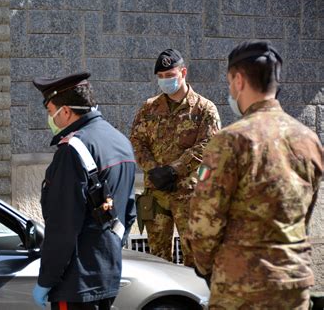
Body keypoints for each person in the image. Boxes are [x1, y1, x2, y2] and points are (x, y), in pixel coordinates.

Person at [187, 40, 323, 309]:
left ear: (238, 80)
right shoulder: (309, 140)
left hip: (241, 288)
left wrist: (207, 267)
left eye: (229, 82)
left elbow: (205, 223)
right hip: (293, 285)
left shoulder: (231, 140)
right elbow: (304, 214)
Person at [31, 72, 136, 309]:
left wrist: (47, 279)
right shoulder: (120, 141)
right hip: (107, 274)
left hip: (75, 283)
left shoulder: (72, 150)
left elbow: (63, 226)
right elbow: (129, 212)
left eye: (51, 112)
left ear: (65, 111)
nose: (51, 120)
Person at [130, 49, 221, 266]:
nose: (165, 80)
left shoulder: (204, 109)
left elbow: (208, 145)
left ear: (183, 72)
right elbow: (136, 141)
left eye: (169, 75)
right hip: (156, 192)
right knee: (156, 258)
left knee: (195, 258)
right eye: (161, 77)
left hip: (189, 195)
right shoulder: (149, 108)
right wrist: (153, 170)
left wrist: (174, 170)